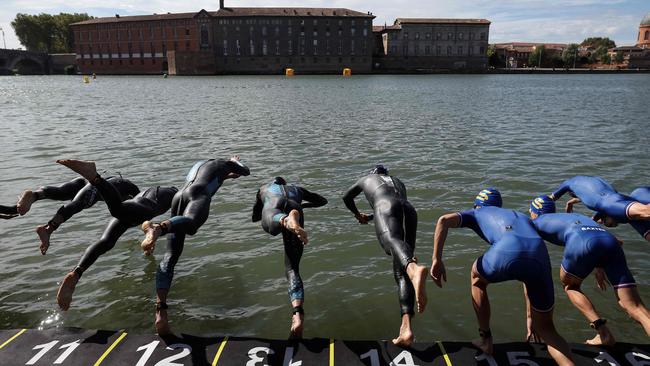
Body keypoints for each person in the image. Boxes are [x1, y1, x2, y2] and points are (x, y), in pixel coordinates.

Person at [430, 188, 574, 366]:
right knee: (547, 329)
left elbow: (443, 220)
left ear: (477, 204)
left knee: (477, 278)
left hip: (507, 248)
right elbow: (526, 273)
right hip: (539, 254)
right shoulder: (521, 216)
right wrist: (530, 317)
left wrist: (436, 259)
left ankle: (486, 339)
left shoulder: (476, 212)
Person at [140, 156, 250, 335]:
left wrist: (227, 176)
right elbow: (246, 171)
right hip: (199, 195)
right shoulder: (225, 163)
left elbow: (211, 178)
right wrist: (235, 161)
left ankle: (161, 311)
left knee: (170, 256)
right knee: (191, 225)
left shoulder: (203, 165)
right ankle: (158, 228)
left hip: (180, 196)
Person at [55, 159, 177, 311]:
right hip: (146, 207)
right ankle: (94, 177)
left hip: (135, 214)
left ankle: (76, 272)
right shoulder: (172, 194)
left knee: (105, 241)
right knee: (118, 209)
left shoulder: (141, 197)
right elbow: (174, 222)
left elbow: (144, 219)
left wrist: (148, 238)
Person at [529, 195, 650, 345]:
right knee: (635, 307)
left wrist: (531, 318)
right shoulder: (574, 216)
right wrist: (599, 265)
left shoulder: (534, 222)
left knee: (571, 286)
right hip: (609, 241)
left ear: (533, 212)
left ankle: (603, 332)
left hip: (581, 241)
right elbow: (616, 241)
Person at [342, 165, 428, 347]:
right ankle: (406, 329)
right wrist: (371, 217)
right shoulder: (398, 182)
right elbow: (394, 207)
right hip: (409, 210)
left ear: (373, 174)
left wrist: (357, 214)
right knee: (400, 273)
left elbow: (346, 197)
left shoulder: (366, 179)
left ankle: (414, 268)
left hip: (386, 207)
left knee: (390, 244)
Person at [252, 176, 328, 339]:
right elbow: (323, 201)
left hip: (275, 208)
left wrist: (263, 206)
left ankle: (285, 220)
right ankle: (297, 313)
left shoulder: (264, 188)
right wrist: (302, 205)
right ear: (285, 183)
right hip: (296, 207)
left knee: (270, 226)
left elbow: (255, 216)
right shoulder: (297, 189)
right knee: (292, 268)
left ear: (273, 183)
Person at [14, 176, 140, 254]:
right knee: (81, 203)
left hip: (84, 182)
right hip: (99, 186)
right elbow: (130, 215)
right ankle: (48, 229)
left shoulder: (128, 189)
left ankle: (34, 195)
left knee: (62, 193)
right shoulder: (135, 197)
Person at [549, 176, 650, 242]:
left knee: (647, 212)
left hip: (612, 203)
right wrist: (570, 204)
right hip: (620, 199)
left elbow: (547, 200)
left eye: (609, 224)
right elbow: (593, 194)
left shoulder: (568, 184)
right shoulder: (588, 183)